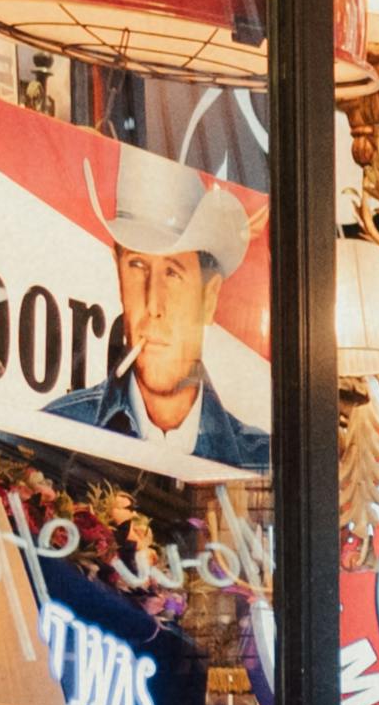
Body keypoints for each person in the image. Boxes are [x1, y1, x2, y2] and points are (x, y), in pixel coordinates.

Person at [43, 145, 269, 468]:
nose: (153, 304)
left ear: (209, 298)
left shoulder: (261, 464)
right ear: (118, 272)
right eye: (137, 265)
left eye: (173, 273)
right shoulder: (56, 436)